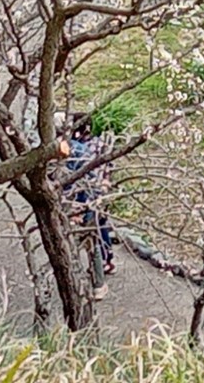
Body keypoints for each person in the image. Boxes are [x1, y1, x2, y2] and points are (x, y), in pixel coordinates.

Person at [62, 119, 115, 298]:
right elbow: (103, 170)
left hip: (78, 202)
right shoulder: (93, 146)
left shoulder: (70, 151)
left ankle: (79, 281)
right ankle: (103, 271)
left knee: (78, 241)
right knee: (97, 234)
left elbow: (65, 184)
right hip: (96, 197)